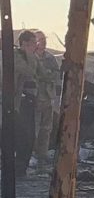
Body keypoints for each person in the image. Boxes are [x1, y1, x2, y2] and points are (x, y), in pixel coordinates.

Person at [10, 30, 40, 178]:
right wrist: (28, 53)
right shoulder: (16, 56)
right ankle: (15, 168)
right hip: (16, 102)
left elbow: (41, 74)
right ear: (25, 43)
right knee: (22, 136)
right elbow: (29, 71)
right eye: (34, 43)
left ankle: (20, 169)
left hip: (27, 101)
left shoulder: (31, 57)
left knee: (28, 137)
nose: (36, 46)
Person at [32, 30, 60, 168]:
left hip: (47, 97)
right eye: (40, 39)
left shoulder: (50, 58)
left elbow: (55, 75)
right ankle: (31, 155)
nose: (43, 42)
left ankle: (42, 155)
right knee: (33, 128)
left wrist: (45, 75)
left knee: (46, 128)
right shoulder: (29, 57)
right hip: (33, 98)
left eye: (44, 39)